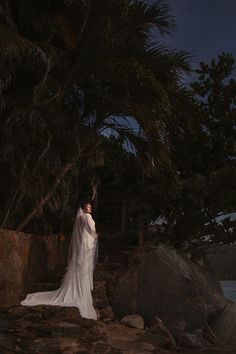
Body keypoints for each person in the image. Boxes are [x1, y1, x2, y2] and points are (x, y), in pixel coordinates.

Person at [21, 202, 98, 320]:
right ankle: (79, 292)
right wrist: (95, 235)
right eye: (87, 206)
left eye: (90, 206)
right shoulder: (87, 217)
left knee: (81, 269)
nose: (89, 208)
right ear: (84, 208)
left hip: (85, 245)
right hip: (86, 246)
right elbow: (91, 229)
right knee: (82, 269)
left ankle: (79, 289)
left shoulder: (81, 217)